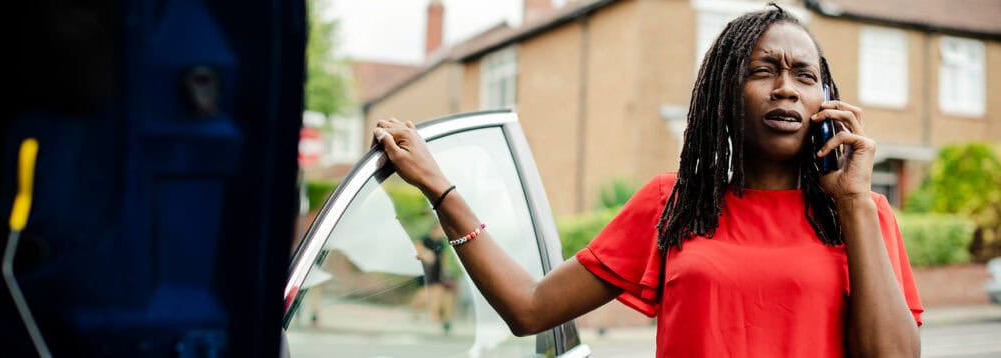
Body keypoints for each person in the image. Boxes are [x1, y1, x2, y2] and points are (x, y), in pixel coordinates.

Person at [371, 5, 922, 357]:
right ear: (725, 94)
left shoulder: (863, 215)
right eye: (763, 70)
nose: (786, 88)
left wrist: (851, 202)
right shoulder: (674, 204)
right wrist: (439, 189)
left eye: (805, 76)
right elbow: (531, 307)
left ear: (825, 102)